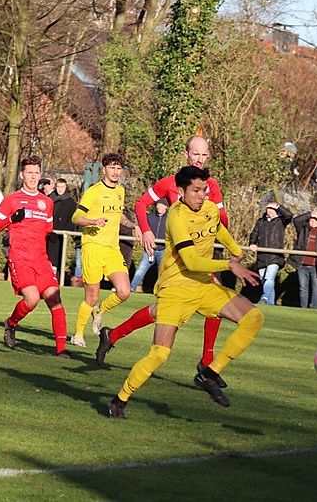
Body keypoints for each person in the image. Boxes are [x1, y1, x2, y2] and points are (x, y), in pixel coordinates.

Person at [107, 166, 263, 419]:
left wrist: (235, 250)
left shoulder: (210, 208)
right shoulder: (176, 217)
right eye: (196, 191)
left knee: (254, 318)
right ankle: (120, 400)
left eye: (205, 190)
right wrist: (229, 264)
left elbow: (217, 228)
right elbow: (190, 261)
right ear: (181, 191)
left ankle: (209, 373)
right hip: (175, 290)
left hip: (203, 286)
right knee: (160, 354)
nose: (202, 196)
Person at [95, 136, 231, 385]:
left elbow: (224, 221)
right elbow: (141, 204)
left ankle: (206, 363)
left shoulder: (212, 185)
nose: (200, 159)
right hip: (178, 264)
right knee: (166, 315)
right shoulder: (170, 183)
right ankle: (112, 336)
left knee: (215, 307)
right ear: (186, 154)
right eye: (196, 154)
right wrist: (146, 230)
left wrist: (214, 219)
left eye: (204, 155)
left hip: (201, 261)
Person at [0, 156, 70, 357]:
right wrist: (11, 219)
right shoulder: (12, 200)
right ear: (22, 175)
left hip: (41, 260)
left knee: (55, 300)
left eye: (36, 173)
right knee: (31, 299)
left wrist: (50, 237)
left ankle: (61, 350)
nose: (33, 176)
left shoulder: (46, 202)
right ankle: (11, 323)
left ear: (40, 175)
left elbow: (47, 228)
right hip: (20, 259)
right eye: (29, 173)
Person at [69, 153, 132, 347]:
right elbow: (76, 217)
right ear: (104, 169)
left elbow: (119, 215)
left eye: (118, 168)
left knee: (124, 292)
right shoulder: (93, 191)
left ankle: (100, 310)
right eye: (112, 167)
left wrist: (134, 225)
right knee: (92, 296)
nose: (115, 171)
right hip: (93, 247)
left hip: (112, 250)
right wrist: (93, 221)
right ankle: (78, 334)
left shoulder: (120, 190)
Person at [249, 202, 293, 305]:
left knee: (269, 278)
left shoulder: (281, 221)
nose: (269, 210)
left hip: (275, 256)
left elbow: (289, 215)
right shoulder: (261, 222)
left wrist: (278, 206)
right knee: (265, 280)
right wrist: (252, 243)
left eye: (272, 208)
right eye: (268, 208)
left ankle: (264, 297)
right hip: (262, 256)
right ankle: (270, 304)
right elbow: (254, 234)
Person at [289, 209, 317, 309]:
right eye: (311, 219)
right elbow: (296, 220)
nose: (312, 221)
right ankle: (303, 308)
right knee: (303, 287)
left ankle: (315, 308)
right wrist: (310, 214)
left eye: (315, 219)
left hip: (316, 264)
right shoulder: (303, 228)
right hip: (302, 263)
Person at [130, 198, 169, 292]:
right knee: (141, 270)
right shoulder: (150, 217)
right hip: (149, 250)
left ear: (166, 207)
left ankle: (161, 291)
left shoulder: (169, 219)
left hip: (162, 250)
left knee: (162, 272)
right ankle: (131, 287)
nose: (159, 207)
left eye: (161, 205)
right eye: (158, 204)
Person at [47, 178, 76, 277]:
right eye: (58, 187)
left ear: (66, 187)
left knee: (59, 257)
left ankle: (57, 277)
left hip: (62, 234)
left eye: (62, 187)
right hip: (49, 232)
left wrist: (66, 230)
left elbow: (71, 218)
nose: (60, 189)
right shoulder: (49, 199)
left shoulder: (70, 202)